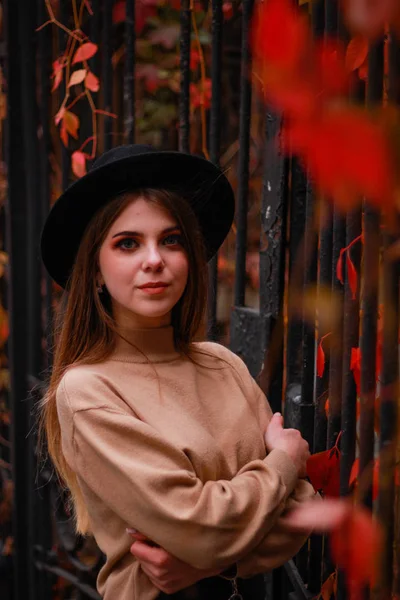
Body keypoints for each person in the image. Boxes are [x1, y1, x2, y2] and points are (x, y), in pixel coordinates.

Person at [39, 144, 316, 600]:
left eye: (171, 240)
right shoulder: (89, 389)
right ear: (94, 271)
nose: (154, 260)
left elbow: (304, 507)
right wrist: (284, 462)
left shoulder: (221, 363)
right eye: (128, 243)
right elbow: (200, 525)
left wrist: (218, 561)